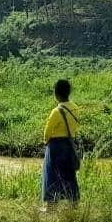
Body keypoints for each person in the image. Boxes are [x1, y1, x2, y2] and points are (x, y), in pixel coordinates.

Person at [41, 78, 80, 206]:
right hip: (69, 144)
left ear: (56, 94)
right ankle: (73, 205)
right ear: (68, 92)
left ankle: (51, 207)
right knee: (69, 175)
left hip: (56, 146)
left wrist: (46, 142)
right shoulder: (75, 108)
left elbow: (47, 131)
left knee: (51, 176)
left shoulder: (56, 111)